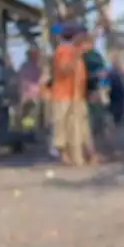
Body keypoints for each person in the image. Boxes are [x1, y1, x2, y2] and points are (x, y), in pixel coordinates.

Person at [49, 24, 90, 166]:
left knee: (75, 128)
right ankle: (65, 157)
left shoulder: (75, 50)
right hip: (62, 96)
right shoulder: (63, 51)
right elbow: (64, 70)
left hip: (76, 96)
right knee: (63, 128)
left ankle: (78, 157)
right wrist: (76, 56)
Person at [17, 47, 44, 133]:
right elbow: (40, 80)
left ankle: (27, 130)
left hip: (26, 94)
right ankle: (29, 131)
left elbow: (19, 80)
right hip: (34, 95)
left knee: (27, 114)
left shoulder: (23, 66)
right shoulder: (36, 67)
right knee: (31, 114)